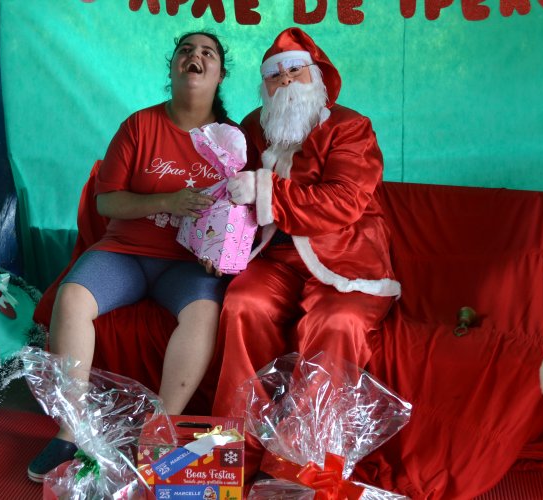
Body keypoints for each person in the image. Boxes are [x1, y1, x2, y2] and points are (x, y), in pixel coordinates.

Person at [28, 31, 232, 482]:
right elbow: (107, 202)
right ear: (173, 67)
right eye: (185, 50)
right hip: (125, 253)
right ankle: (71, 429)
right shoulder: (140, 126)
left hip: (187, 265)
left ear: (219, 74)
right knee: (74, 296)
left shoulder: (233, 140)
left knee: (204, 314)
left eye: (208, 53)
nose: (195, 57)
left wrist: (227, 251)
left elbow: (244, 211)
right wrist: (168, 201)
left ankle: (160, 429)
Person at [211, 27, 402, 479]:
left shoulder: (350, 127)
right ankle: (234, 450)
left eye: (295, 70)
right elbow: (230, 191)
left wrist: (265, 188)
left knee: (336, 322)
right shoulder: (254, 127)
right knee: (242, 305)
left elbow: (343, 203)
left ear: (316, 76)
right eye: (275, 76)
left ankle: (301, 462)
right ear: (264, 85)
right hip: (274, 258)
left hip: (345, 260)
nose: (287, 82)